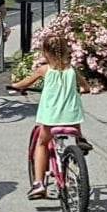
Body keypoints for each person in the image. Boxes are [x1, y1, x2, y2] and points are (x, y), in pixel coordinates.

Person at [9, 32, 92, 199]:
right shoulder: (72, 71)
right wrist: (81, 90)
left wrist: (15, 86)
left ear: (46, 53)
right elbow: (86, 87)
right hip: (72, 118)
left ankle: (39, 183)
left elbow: (24, 83)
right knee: (72, 113)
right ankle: (80, 140)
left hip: (50, 118)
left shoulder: (44, 70)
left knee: (41, 143)